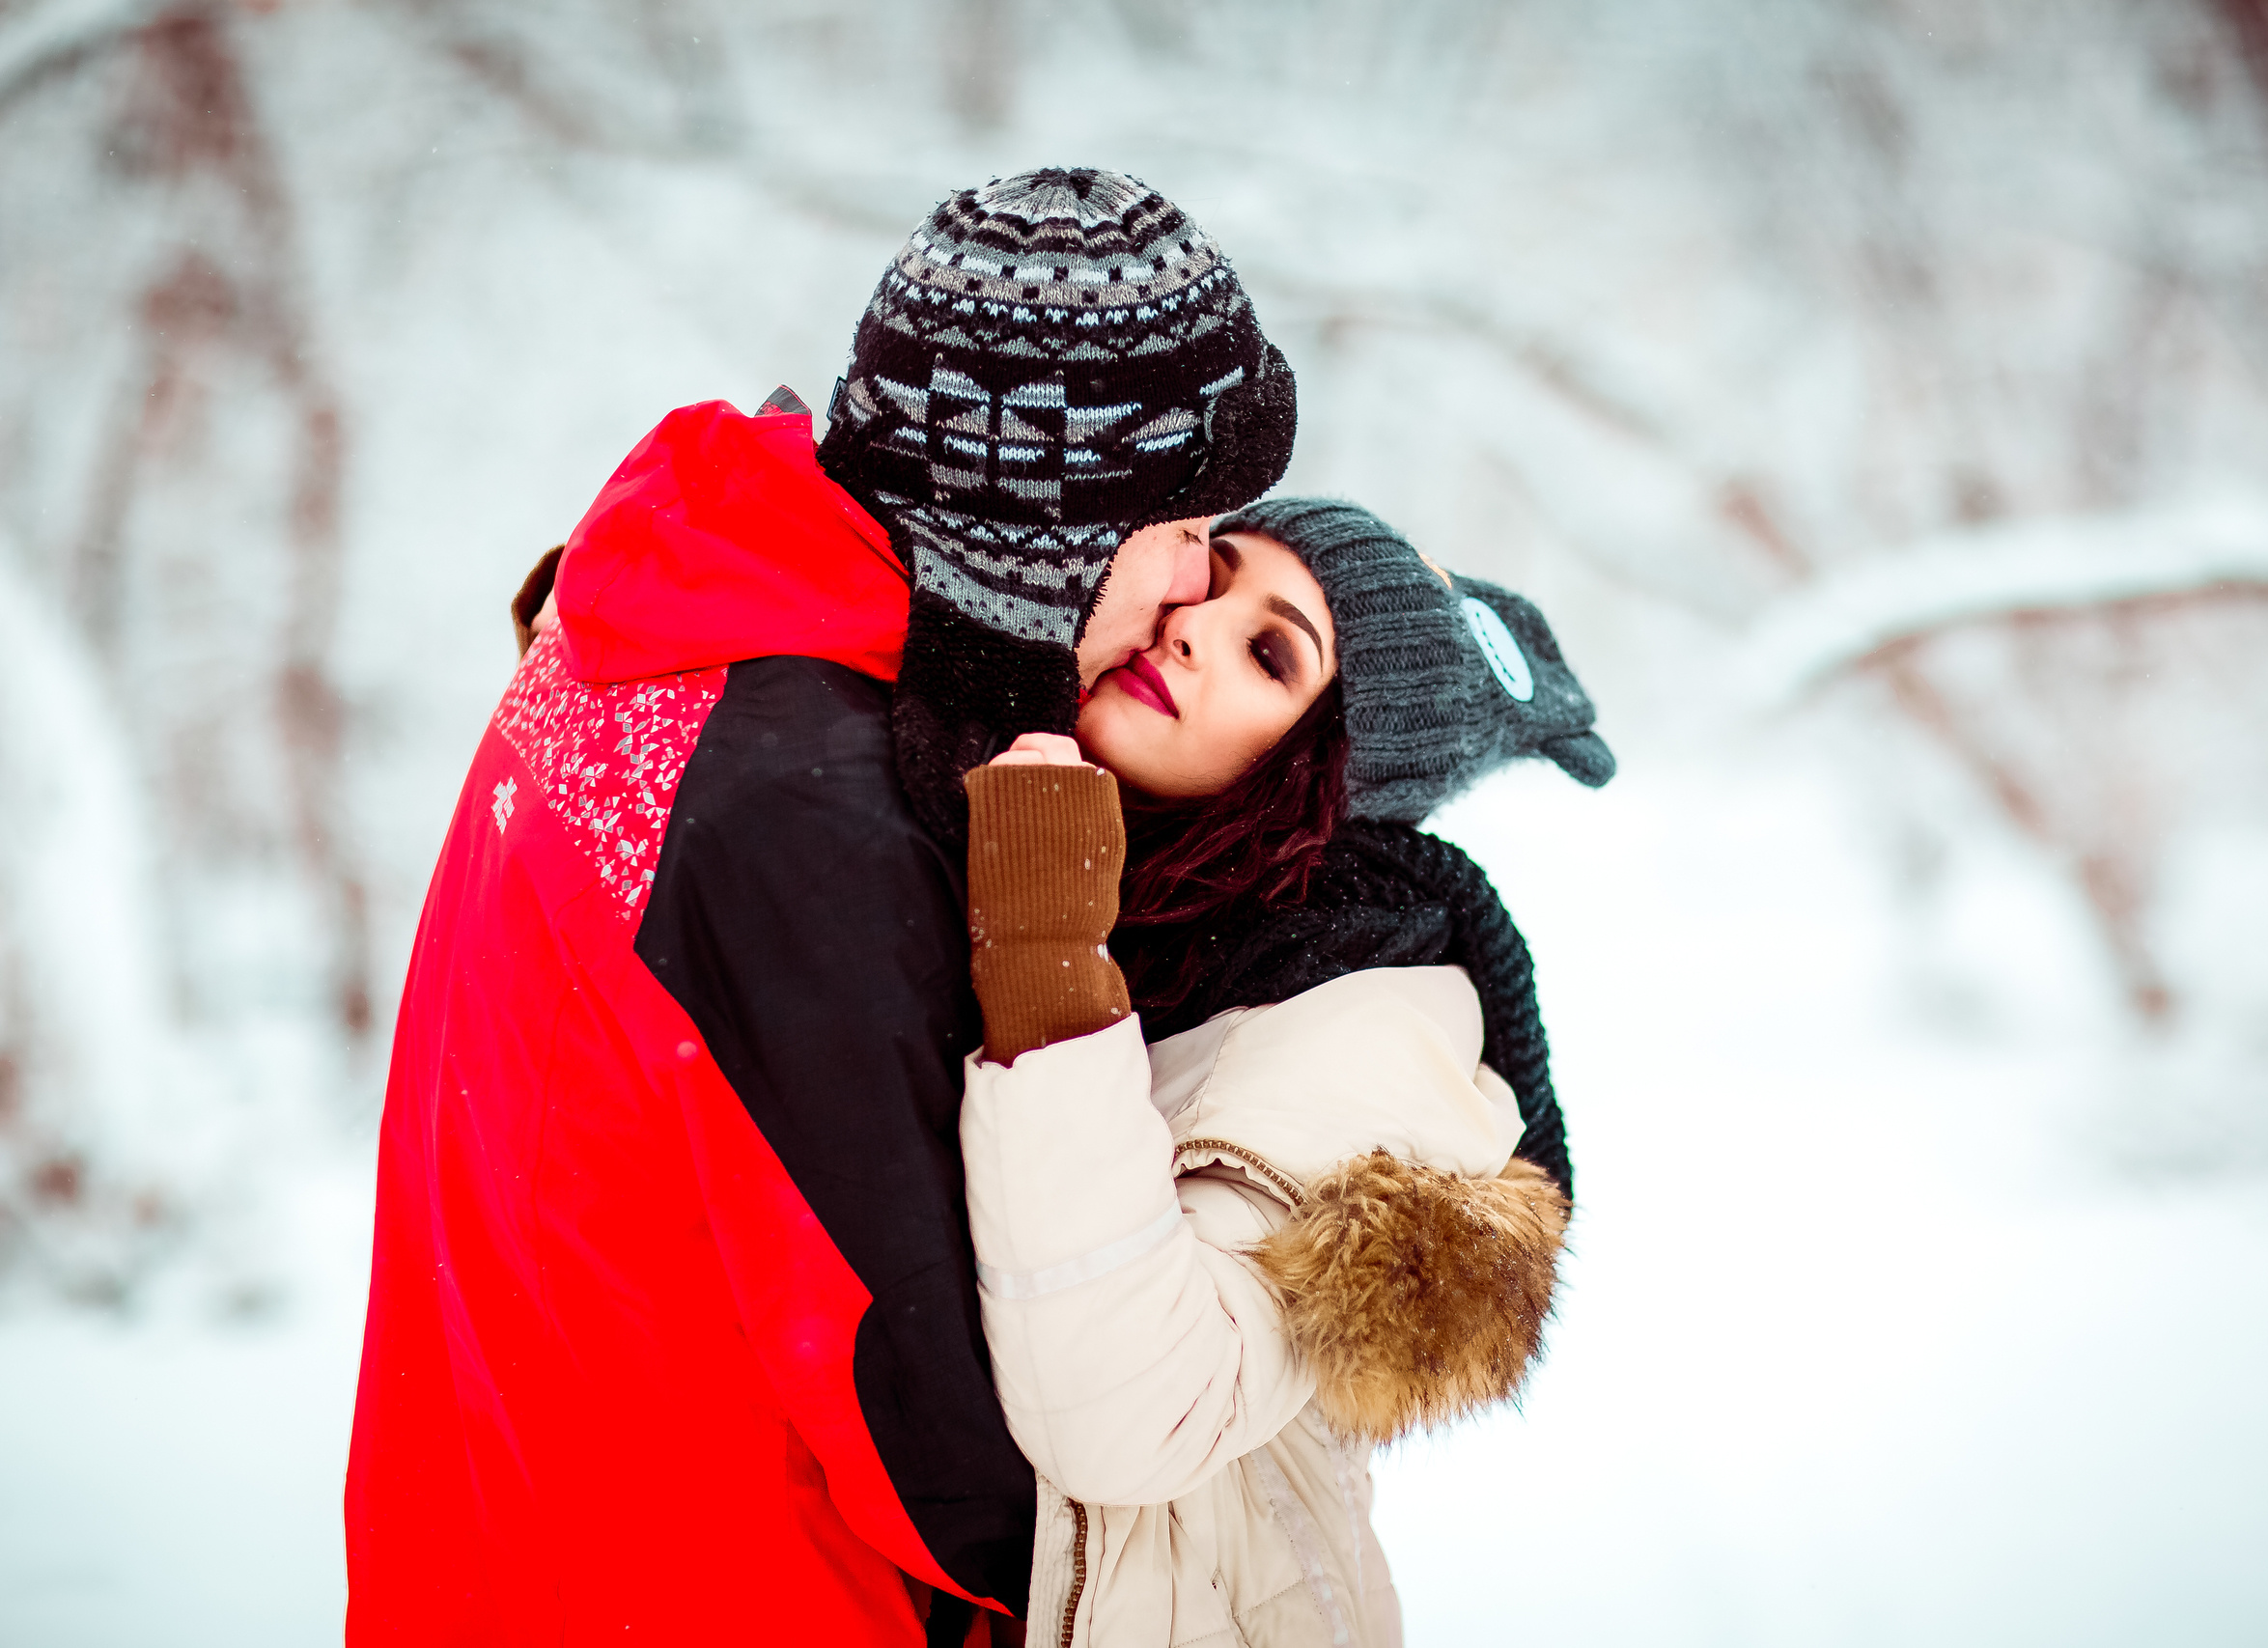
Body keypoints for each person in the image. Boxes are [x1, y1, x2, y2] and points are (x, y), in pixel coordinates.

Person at [345, 168, 1296, 1646]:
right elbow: (955, 1454)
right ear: (1042, 523)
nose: (1190, 580)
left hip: (515, 1542)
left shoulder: (668, 617)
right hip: (723, 1585)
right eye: (1184, 523)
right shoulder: (806, 807)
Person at [955, 498, 1614, 1645]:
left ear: (1325, 774)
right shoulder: (1122, 883)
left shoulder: (1362, 1017)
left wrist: (1048, 959)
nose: (1193, 629)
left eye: (1270, 653)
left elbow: (1135, 1411)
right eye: (1206, 576)